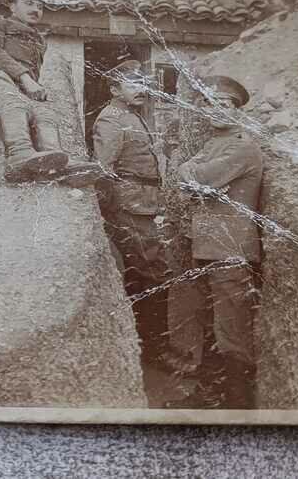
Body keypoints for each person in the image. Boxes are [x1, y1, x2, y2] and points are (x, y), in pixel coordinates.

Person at [173, 74, 264, 409]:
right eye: (210, 104)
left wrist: (195, 176)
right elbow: (187, 176)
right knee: (216, 326)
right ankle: (213, 396)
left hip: (230, 251)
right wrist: (194, 177)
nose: (215, 110)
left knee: (232, 330)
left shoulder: (243, 147)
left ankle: (236, 406)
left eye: (224, 105)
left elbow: (198, 176)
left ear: (237, 111)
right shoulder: (213, 145)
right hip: (210, 246)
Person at [92, 59, 184, 381]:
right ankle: (154, 353)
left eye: (143, 83)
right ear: (115, 88)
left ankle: (145, 347)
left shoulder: (131, 115)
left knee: (145, 273)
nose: (142, 89)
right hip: (129, 206)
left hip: (141, 203)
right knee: (152, 273)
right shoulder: (112, 119)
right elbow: (103, 169)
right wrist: (113, 207)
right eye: (133, 84)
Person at [0, 0, 99, 184]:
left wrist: (31, 87)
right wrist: (24, 77)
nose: (35, 9)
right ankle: (19, 156)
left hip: (13, 91)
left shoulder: (38, 40)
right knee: (14, 103)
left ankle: (57, 160)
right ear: (12, 6)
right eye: (28, 3)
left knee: (44, 112)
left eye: (40, 6)